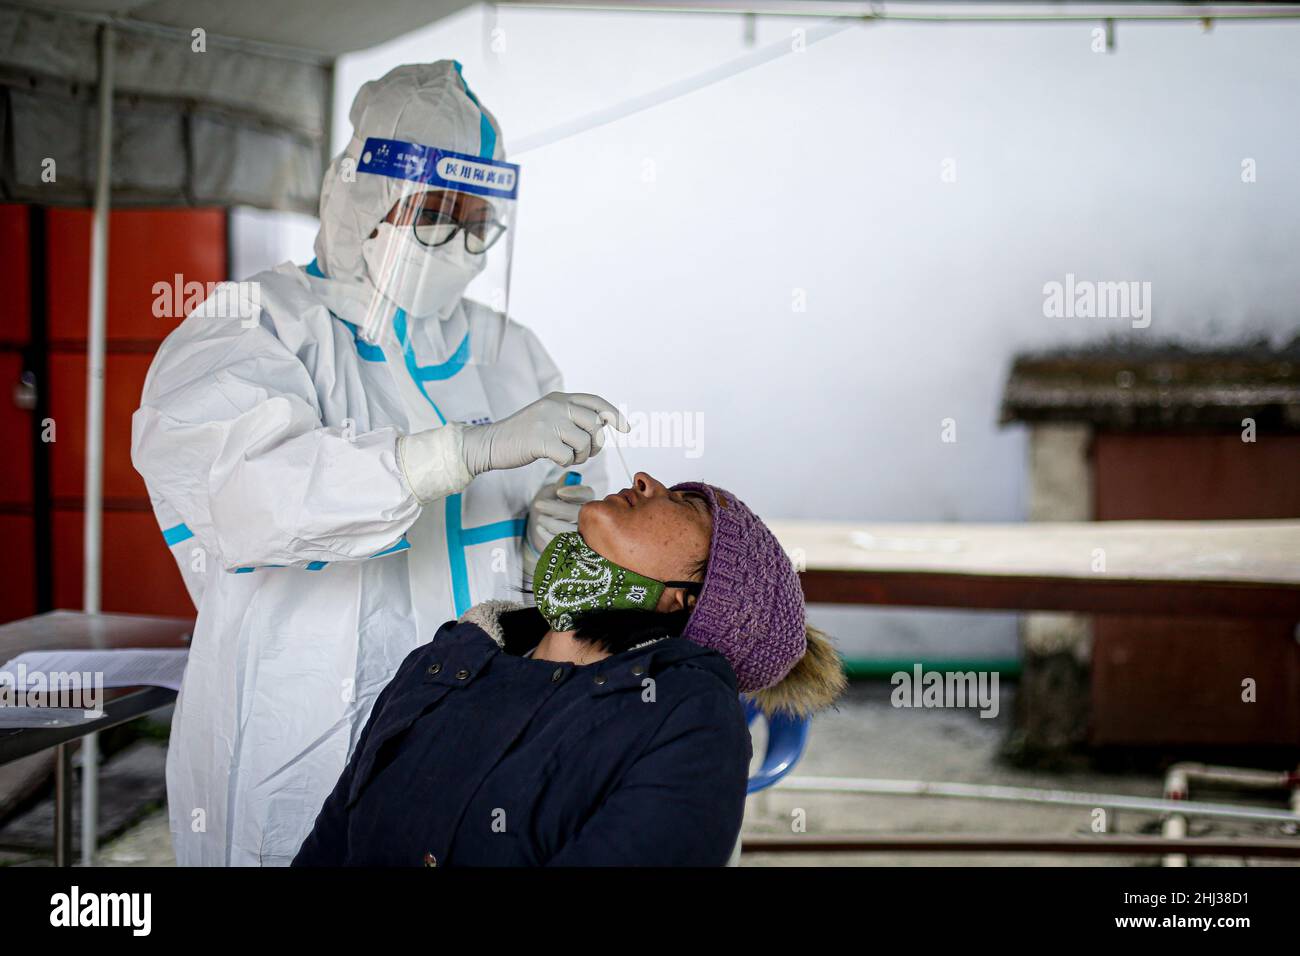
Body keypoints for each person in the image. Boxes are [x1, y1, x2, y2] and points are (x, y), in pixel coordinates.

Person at [131, 61, 624, 866]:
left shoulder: (510, 351)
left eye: (476, 222)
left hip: (484, 739)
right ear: (362, 198)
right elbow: (248, 497)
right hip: (303, 744)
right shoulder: (252, 326)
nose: (457, 243)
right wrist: (465, 451)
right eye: (432, 214)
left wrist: (562, 542)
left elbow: (569, 555)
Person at [292, 472, 845, 866]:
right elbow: (329, 845)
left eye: (684, 504)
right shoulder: (448, 657)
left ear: (692, 597)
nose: (646, 480)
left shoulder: (688, 717)